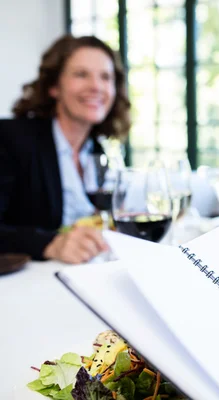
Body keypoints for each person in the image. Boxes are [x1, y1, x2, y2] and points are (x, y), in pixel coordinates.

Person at [0, 35, 131, 263]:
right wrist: (50, 244)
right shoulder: (11, 138)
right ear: (54, 86)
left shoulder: (96, 151)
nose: (96, 87)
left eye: (106, 77)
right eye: (81, 74)